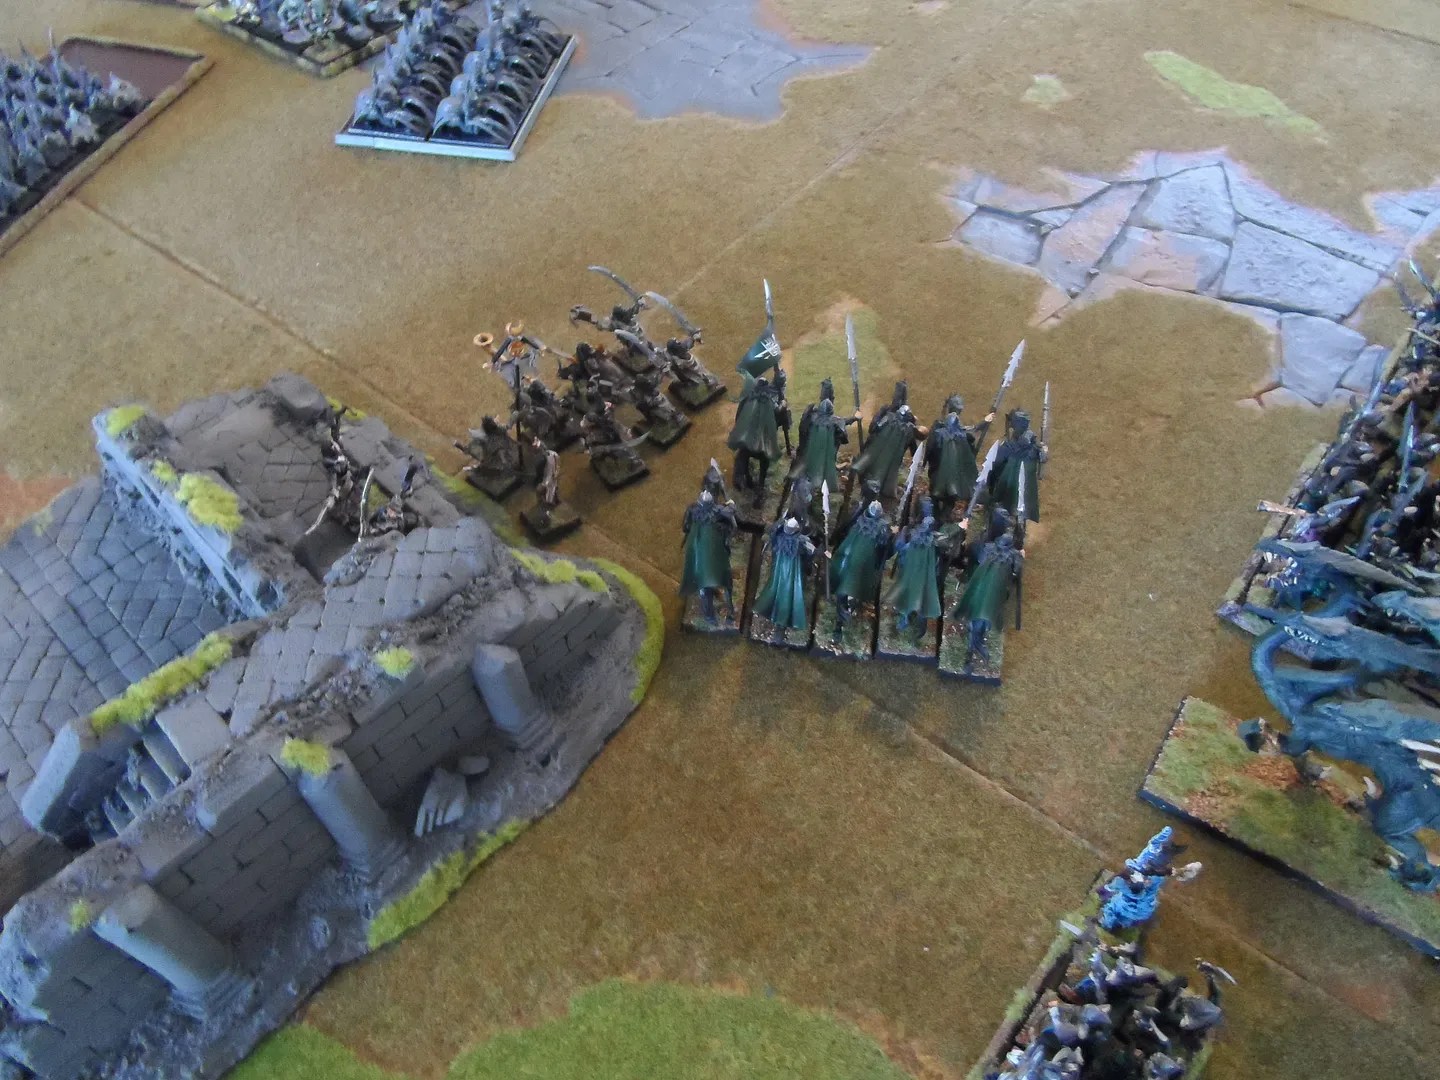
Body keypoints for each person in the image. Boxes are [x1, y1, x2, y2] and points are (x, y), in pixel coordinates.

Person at [828, 500, 893, 633]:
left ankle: (843, 616)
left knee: (846, 588)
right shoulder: (881, 528)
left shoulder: (859, 520)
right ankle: (845, 614)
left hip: (850, 558)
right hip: (861, 562)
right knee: (854, 587)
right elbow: (884, 547)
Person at [882, 497, 942, 640]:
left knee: (918, 596)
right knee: (909, 594)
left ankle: (915, 622)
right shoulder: (912, 532)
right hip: (911, 569)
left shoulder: (929, 536)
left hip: (920, 571)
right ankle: (906, 618)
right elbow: (899, 545)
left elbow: (899, 546)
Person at [852, 381, 923, 499]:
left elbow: (873, 428)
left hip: (890, 456)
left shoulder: (901, 422)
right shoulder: (888, 413)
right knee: (869, 470)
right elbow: (873, 428)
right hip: (877, 450)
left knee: (884, 478)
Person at [680, 489, 738, 623]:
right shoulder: (718, 511)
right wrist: (731, 503)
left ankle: (709, 616)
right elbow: (731, 512)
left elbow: (685, 527)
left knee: (704, 587)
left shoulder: (692, 510)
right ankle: (730, 613)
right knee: (725, 581)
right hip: (715, 553)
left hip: (700, 554)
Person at [753, 517, 815, 633]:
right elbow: (811, 552)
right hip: (792, 571)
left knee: (779, 589)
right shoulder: (800, 541)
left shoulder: (779, 537)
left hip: (781, 570)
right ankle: (784, 618)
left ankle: (779, 619)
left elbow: (772, 534)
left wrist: (780, 523)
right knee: (791, 591)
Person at [925, 394, 980, 520]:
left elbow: (930, 450)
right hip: (948, 475)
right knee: (946, 500)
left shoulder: (940, 430)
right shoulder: (962, 434)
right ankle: (939, 518)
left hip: (941, 474)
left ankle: (937, 518)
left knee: (939, 498)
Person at [989, 408, 1045, 521]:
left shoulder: (1018, 444)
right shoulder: (1029, 444)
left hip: (1013, 486)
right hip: (1017, 487)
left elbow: (998, 462)